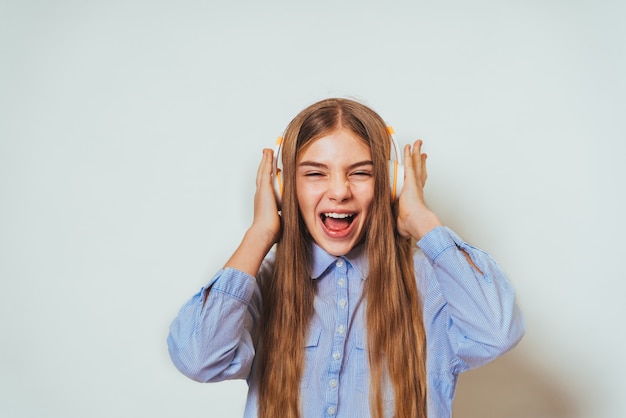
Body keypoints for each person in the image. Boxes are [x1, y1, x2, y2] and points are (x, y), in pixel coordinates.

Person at [167, 98, 525, 418]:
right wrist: (260, 233)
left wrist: (421, 219)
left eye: (361, 173)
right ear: (283, 188)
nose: (339, 191)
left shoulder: (429, 280)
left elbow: (495, 332)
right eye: (314, 173)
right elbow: (198, 359)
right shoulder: (262, 283)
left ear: (390, 183)